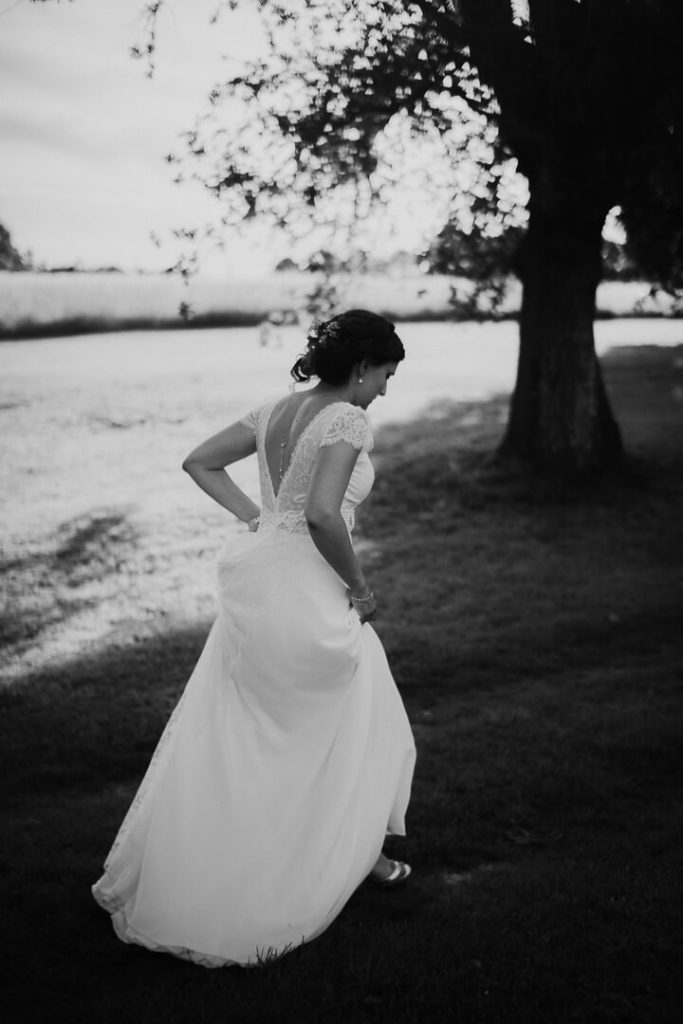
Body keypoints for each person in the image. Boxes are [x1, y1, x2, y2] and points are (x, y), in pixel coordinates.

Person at [92, 309, 416, 967]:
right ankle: (351, 857)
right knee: (342, 717)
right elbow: (324, 515)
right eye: (384, 374)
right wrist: (359, 587)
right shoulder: (348, 418)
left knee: (262, 723)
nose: (385, 389)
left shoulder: (273, 410)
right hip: (304, 583)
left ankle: (354, 851)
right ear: (360, 368)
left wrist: (258, 519)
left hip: (257, 577)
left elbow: (199, 462)